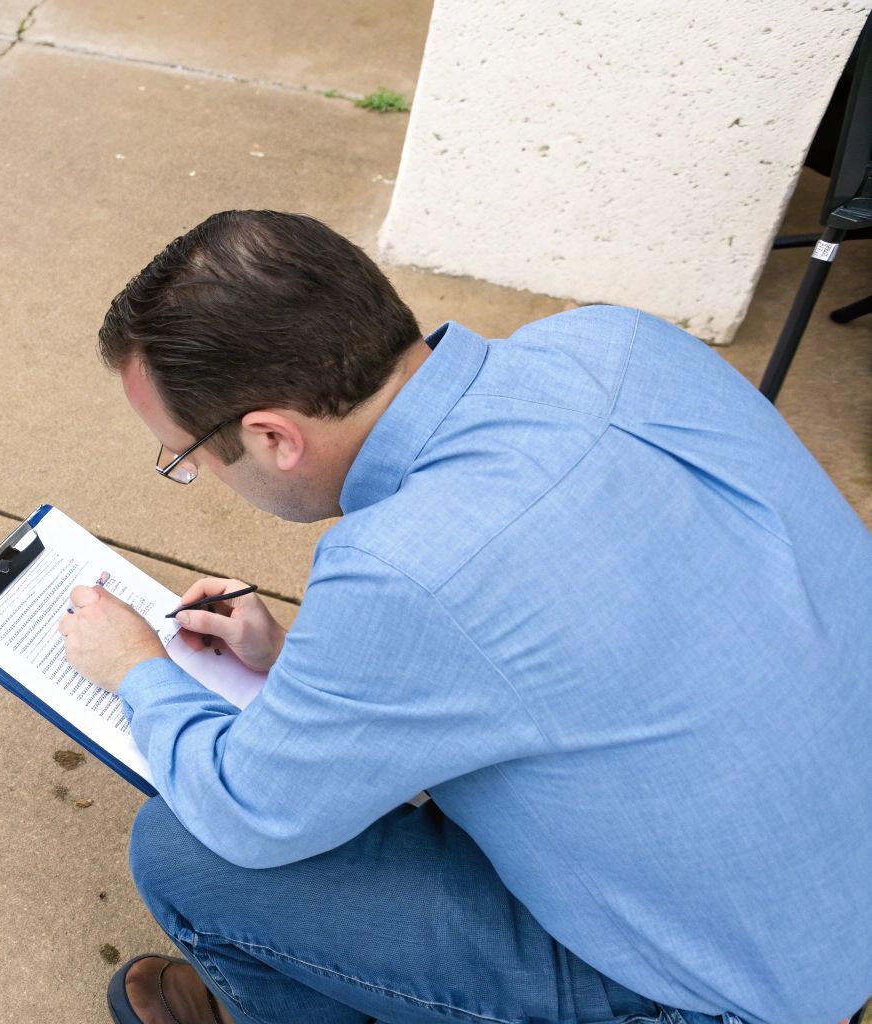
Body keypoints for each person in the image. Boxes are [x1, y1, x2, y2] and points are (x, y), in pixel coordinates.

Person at [55, 210, 872, 1024]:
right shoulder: (620, 341)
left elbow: (249, 812)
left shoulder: (402, 567)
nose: (192, 468)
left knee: (188, 857)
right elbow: (564, 636)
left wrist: (138, 668)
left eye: (186, 455)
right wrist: (293, 660)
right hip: (826, 903)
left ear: (273, 437)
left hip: (733, 995)